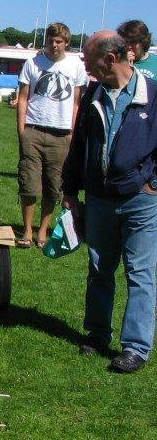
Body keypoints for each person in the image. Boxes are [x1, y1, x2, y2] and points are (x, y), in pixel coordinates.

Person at [62, 31, 157, 373]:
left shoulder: (152, 95)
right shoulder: (93, 94)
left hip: (140, 200)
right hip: (99, 199)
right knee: (100, 268)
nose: (85, 67)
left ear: (110, 59)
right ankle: (98, 333)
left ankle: (135, 348)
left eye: (89, 61)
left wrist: (152, 185)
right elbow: (79, 145)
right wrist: (70, 190)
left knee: (140, 274)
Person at [16, 23, 87, 249]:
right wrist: (22, 130)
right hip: (34, 130)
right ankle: (27, 230)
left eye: (59, 41)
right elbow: (23, 98)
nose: (54, 45)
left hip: (61, 134)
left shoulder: (76, 66)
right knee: (28, 183)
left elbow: (77, 103)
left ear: (66, 43)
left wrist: (73, 134)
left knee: (53, 186)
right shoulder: (33, 63)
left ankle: (43, 230)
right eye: (51, 40)